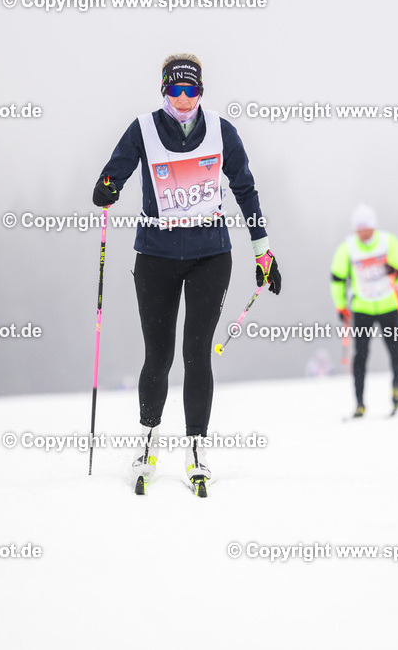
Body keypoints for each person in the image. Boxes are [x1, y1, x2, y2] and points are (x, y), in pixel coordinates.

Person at [93, 54, 282, 496]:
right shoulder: (142, 128)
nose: (182, 99)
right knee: (158, 356)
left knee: (197, 352)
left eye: (190, 90)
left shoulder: (221, 132)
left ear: (201, 92)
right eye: (174, 91)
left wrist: (263, 252)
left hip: (209, 255)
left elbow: (245, 190)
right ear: (163, 92)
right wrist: (106, 188)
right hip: (156, 254)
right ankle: (148, 442)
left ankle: (195, 447)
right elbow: (113, 174)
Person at [330, 205, 398, 418]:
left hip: (388, 305)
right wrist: (340, 305)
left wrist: (395, 272)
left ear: (374, 227)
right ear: (355, 230)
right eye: (360, 229)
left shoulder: (388, 242)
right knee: (361, 356)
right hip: (362, 308)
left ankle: (396, 389)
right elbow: (337, 279)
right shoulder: (348, 247)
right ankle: (359, 402)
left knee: (395, 350)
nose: (365, 233)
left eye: (368, 229)